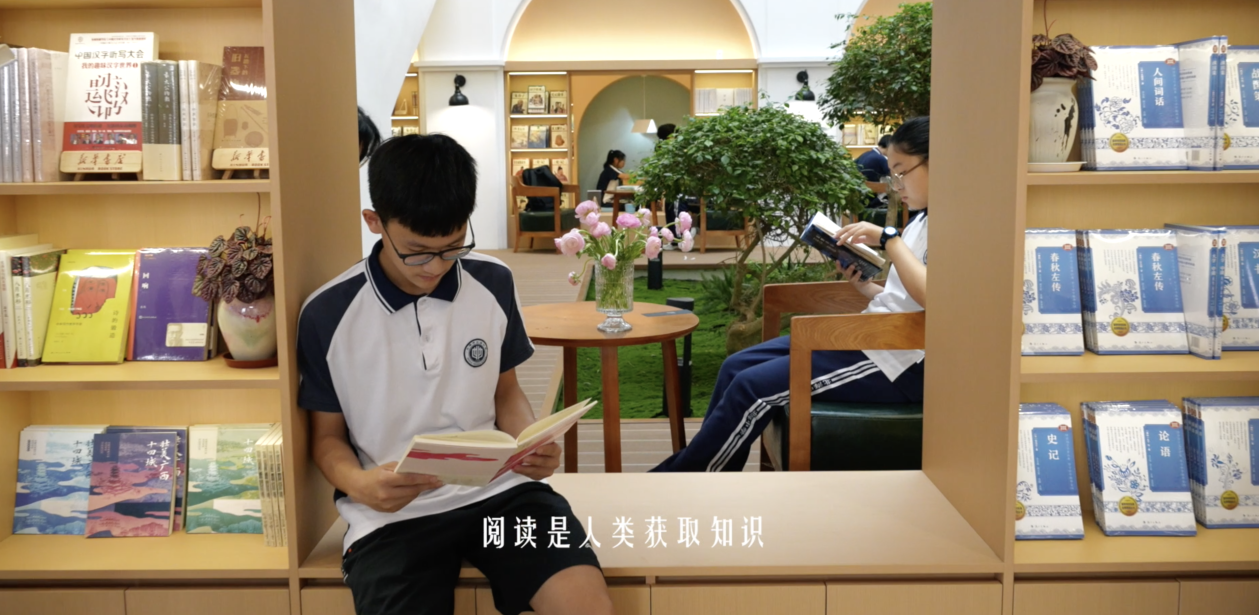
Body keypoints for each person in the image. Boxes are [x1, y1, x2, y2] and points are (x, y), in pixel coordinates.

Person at [298, 134, 614, 615]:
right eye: (417, 251)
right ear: (374, 222)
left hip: (502, 493)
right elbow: (325, 438)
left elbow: (506, 391)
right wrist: (360, 485)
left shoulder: (492, 280)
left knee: (586, 606)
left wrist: (529, 444)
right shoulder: (327, 313)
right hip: (392, 516)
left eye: (451, 248)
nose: (435, 267)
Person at [651, 117, 930, 473]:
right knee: (735, 366)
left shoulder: (956, 225)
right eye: (893, 175)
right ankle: (706, 473)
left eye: (902, 172)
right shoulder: (921, 221)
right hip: (874, 337)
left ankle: (686, 478)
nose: (896, 185)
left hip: (899, 361)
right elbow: (903, 298)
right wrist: (862, 285)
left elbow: (933, 300)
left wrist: (889, 238)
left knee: (751, 387)